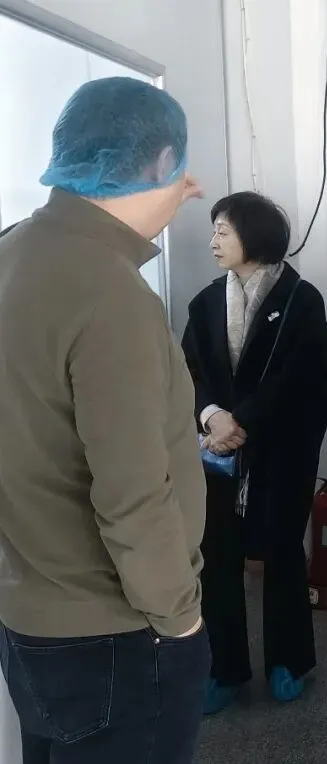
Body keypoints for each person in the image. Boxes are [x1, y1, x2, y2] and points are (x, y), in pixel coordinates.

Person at [0, 77, 208, 763]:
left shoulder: (15, 252)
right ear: (162, 162)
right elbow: (131, 493)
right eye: (178, 170)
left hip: (30, 612)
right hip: (115, 631)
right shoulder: (110, 292)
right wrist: (180, 618)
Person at [181, 191, 327, 714]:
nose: (213, 241)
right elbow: (188, 371)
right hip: (218, 451)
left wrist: (241, 420)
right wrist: (211, 416)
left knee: (282, 552)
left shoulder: (300, 299)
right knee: (216, 557)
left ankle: (288, 660)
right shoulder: (206, 302)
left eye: (223, 231)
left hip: (279, 450)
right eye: (215, 230)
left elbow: (304, 376)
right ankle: (223, 668)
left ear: (255, 235)